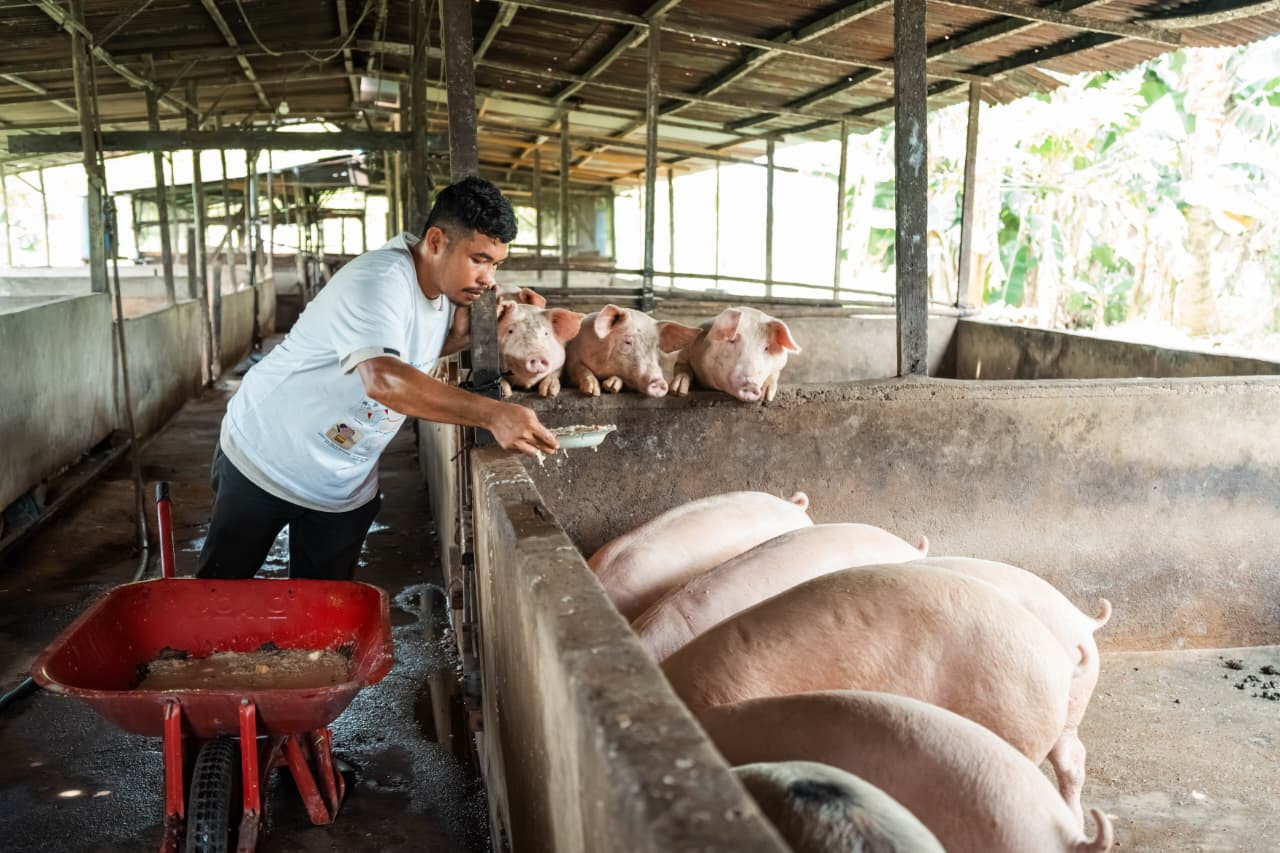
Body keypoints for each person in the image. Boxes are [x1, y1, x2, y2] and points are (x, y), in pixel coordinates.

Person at [197, 176, 558, 580]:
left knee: (327, 617)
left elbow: (406, 353)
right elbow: (383, 379)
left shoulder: (442, 290)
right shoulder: (380, 281)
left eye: (495, 264)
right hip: (267, 457)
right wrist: (494, 414)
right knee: (220, 596)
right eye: (478, 259)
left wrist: (459, 338)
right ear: (436, 241)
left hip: (343, 483)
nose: (489, 278)